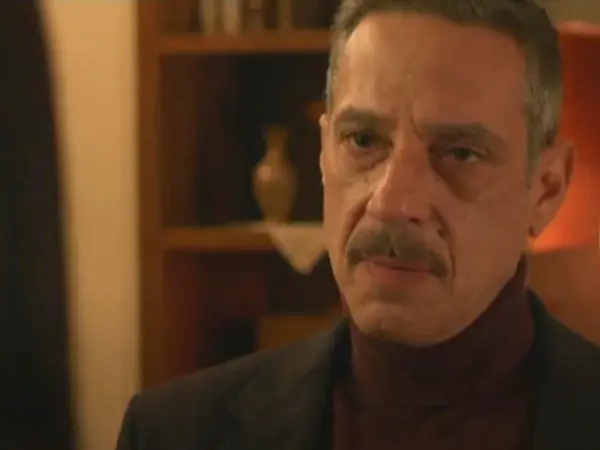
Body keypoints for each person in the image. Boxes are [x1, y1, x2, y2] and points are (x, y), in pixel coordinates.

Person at [117, 1, 600, 449]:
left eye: (460, 153)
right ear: (323, 153)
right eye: (364, 140)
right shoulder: (173, 433)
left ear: (546, 189)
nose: (391, 203)